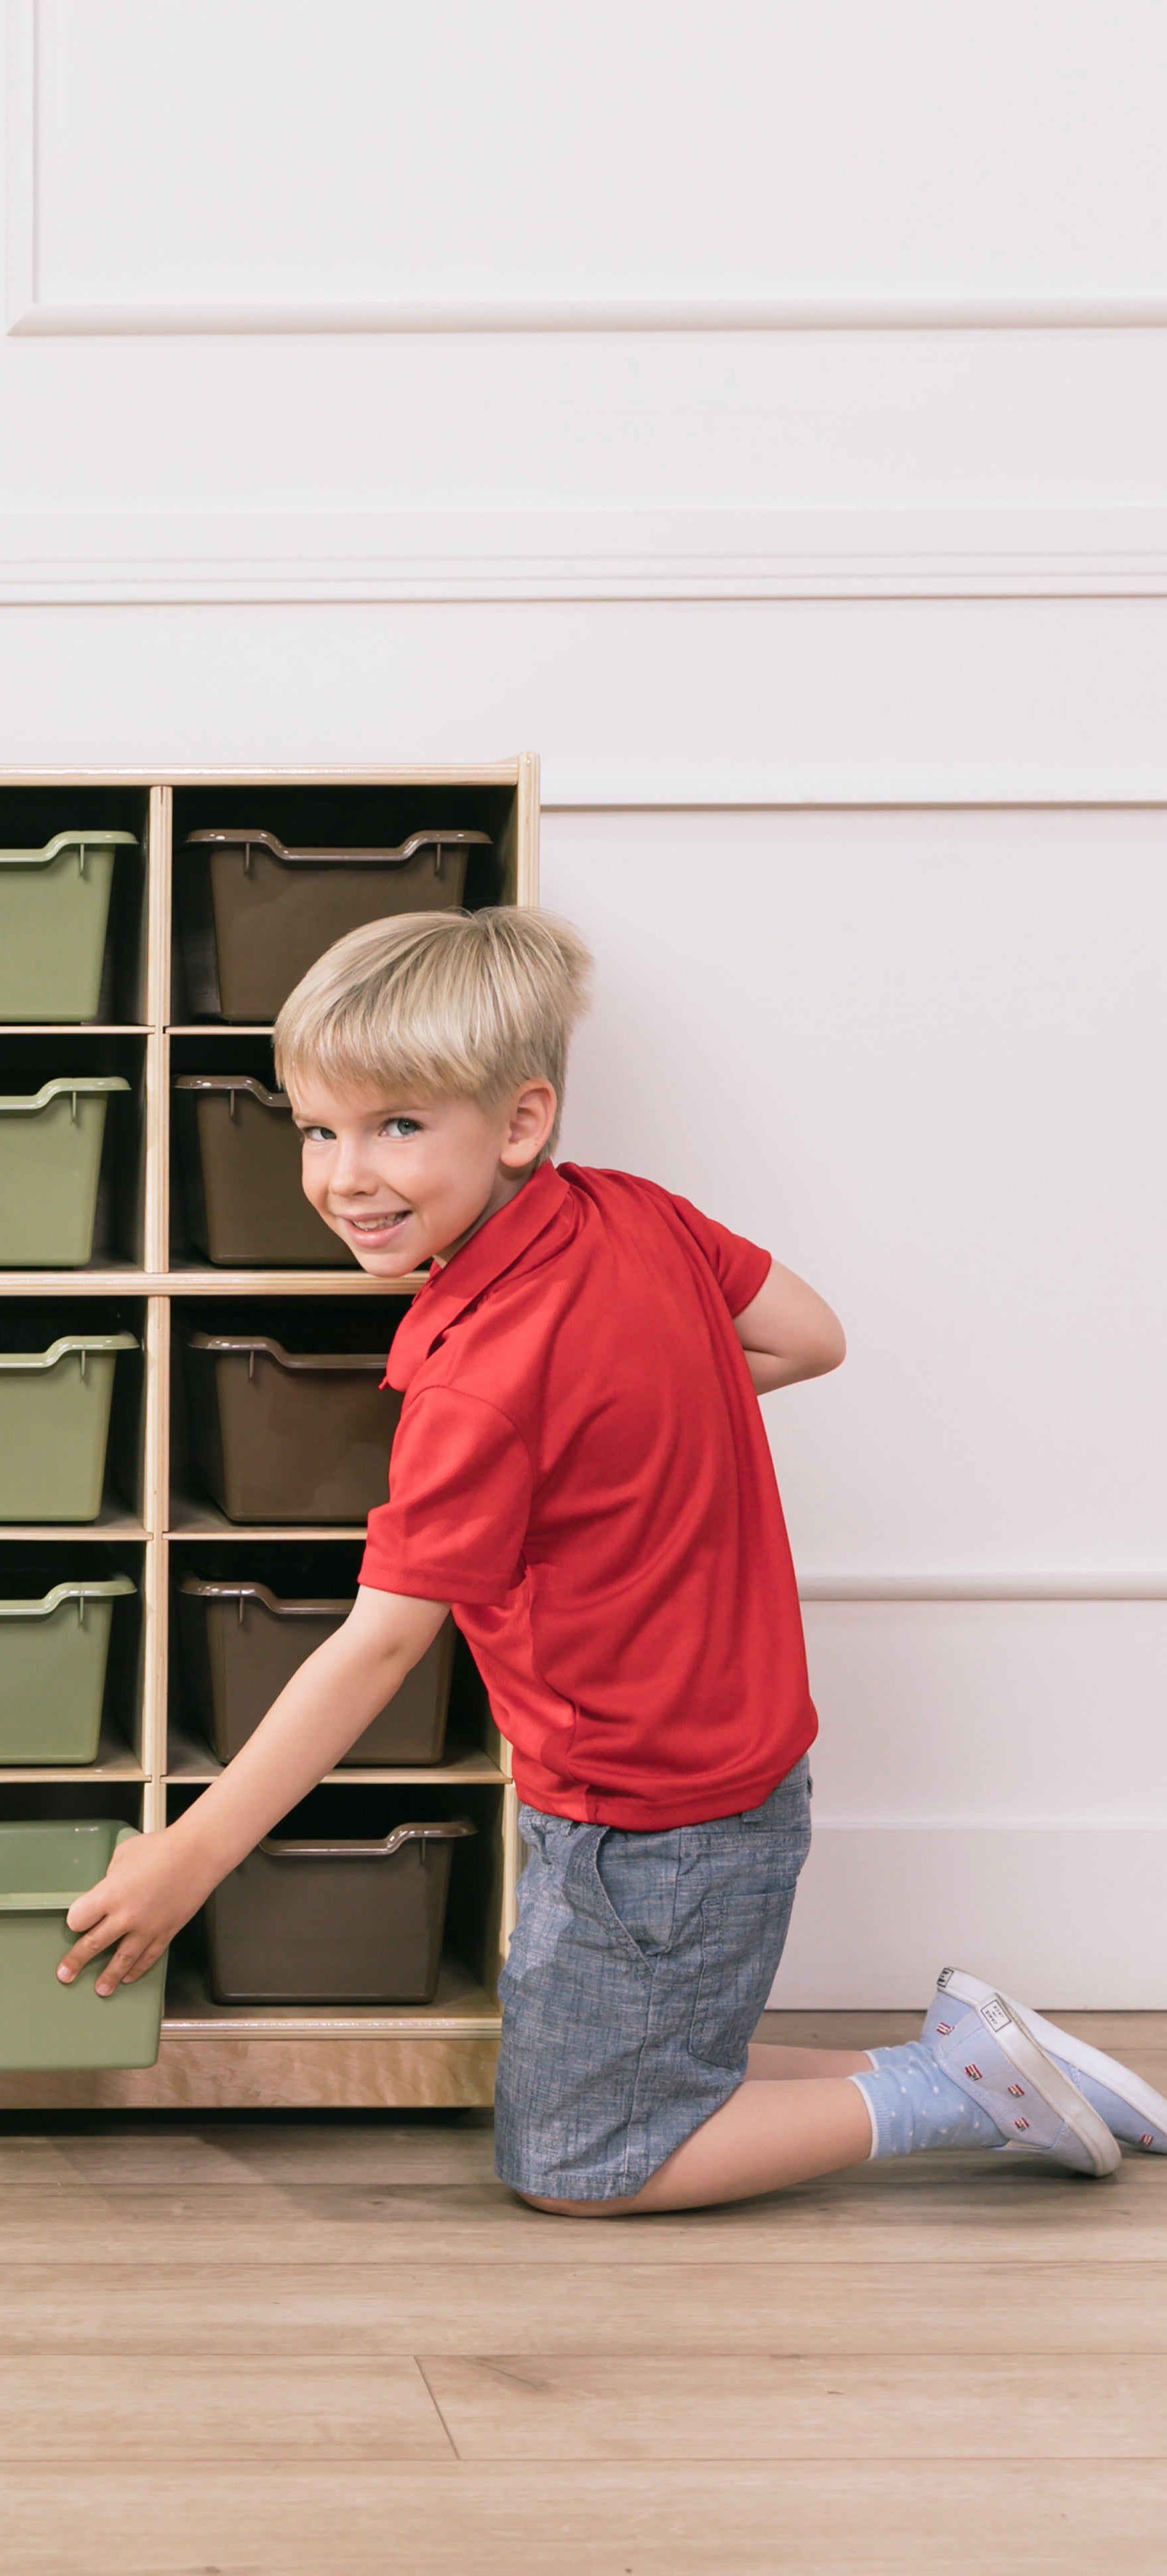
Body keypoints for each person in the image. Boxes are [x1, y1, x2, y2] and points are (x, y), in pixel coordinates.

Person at [61, 905, 1165, 2212]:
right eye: (317, 1126)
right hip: (732, 1769)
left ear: (517, 1122)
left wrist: (186, 1855)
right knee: (627, 2055)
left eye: (395, 1125)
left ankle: (942, 2094)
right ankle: (966, 2060)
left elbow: (379, 1643)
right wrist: (626, 1428)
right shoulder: (632, 1213)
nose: (342, 1173)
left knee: (578, 2157)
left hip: (640, 1815)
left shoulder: (476, 1379)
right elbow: (810, 1336)